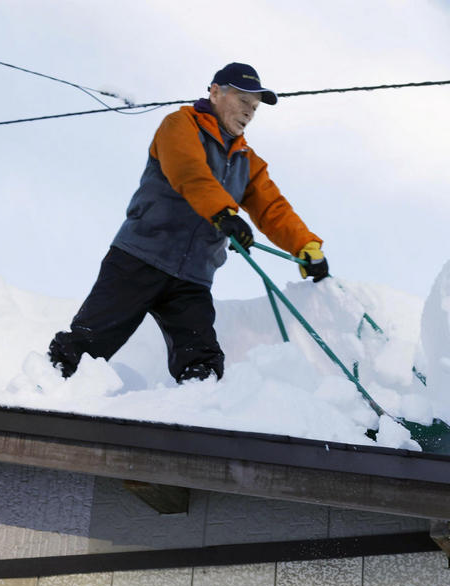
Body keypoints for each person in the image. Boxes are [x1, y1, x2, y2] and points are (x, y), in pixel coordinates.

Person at [48, 62, 328, 383]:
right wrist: (224, 214)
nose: (249, 112)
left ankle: (198, 411)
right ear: (215, 92)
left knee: (202, 360)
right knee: (87, 345)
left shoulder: (246, 160)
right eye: (242, 100)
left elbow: (273, 209)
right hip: (139, 259)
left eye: (254, 107)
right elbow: (188, 171)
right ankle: (44, 392)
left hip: (191, 279)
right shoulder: (180, 125)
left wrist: (305, 246)